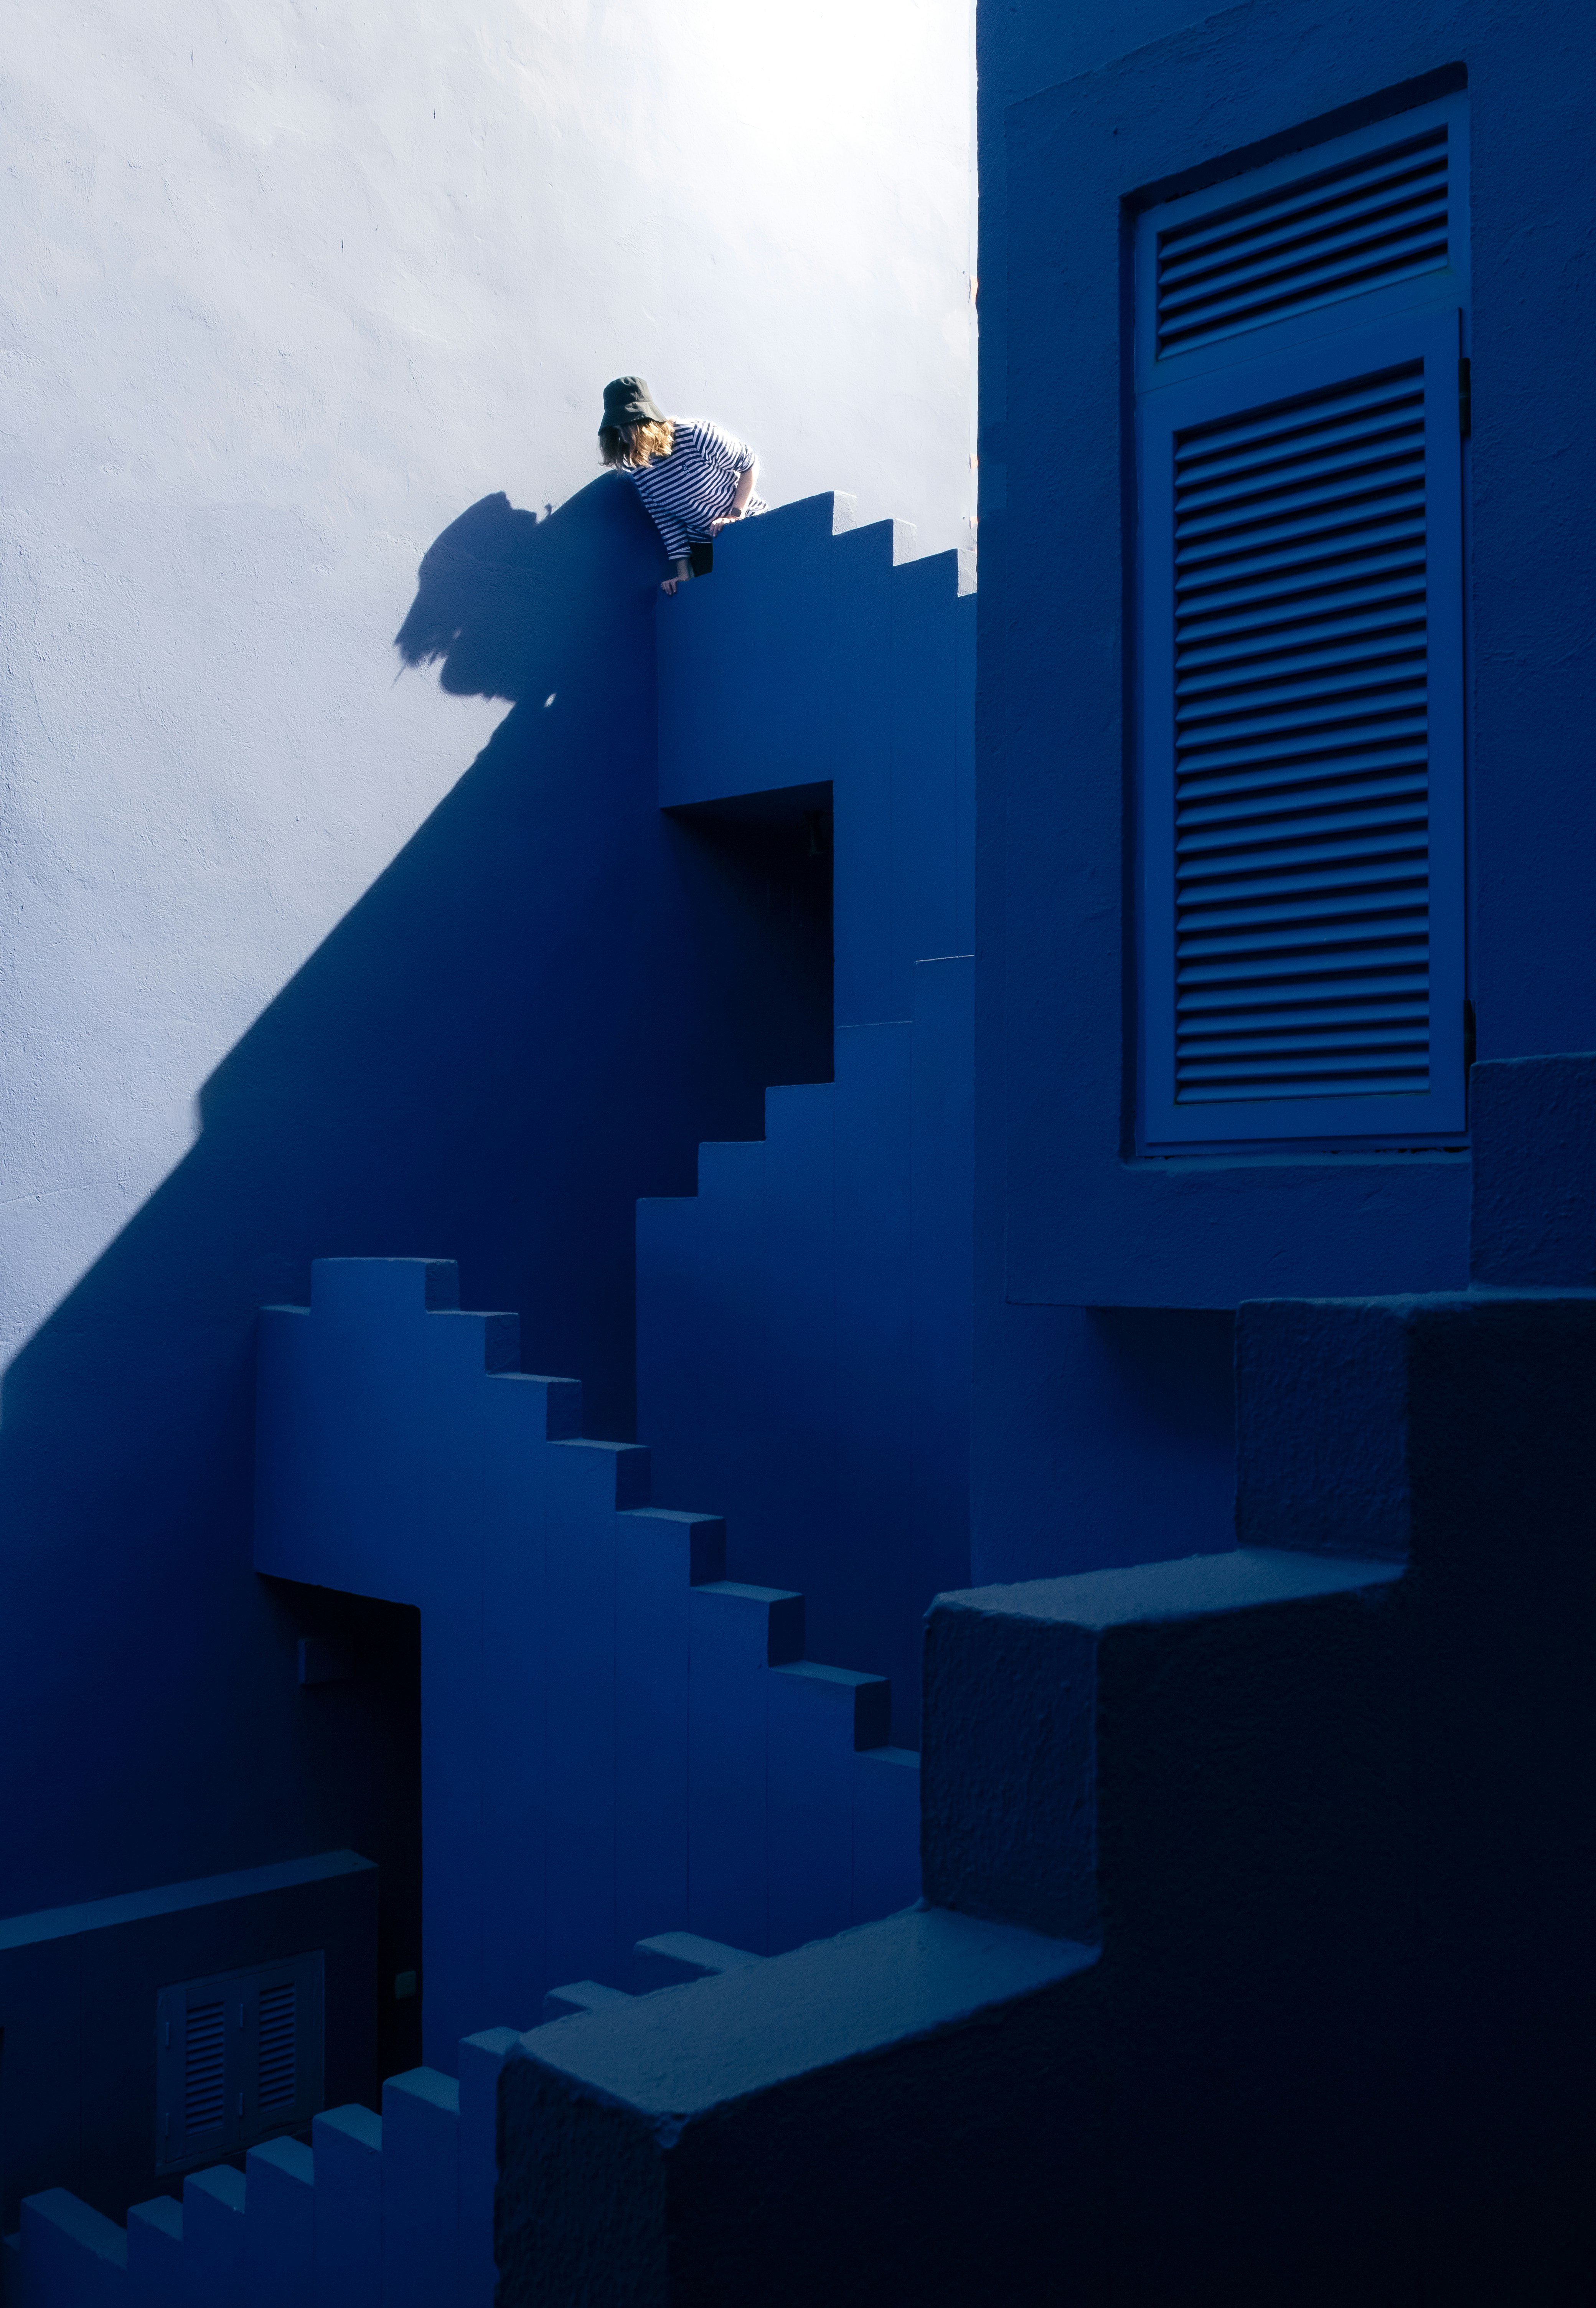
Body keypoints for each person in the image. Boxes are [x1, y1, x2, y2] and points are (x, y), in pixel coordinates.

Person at [598, 376, 766, 595]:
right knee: (719, 602)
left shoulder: (695, 434)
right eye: (617, 430)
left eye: (626, 427)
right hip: (705, 544)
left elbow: (750, 464)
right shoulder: (640, 470)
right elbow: (667, 522)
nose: (624, 438)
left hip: (747, 523)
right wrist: (684, 575)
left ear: (645, 421)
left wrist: (735, 515)